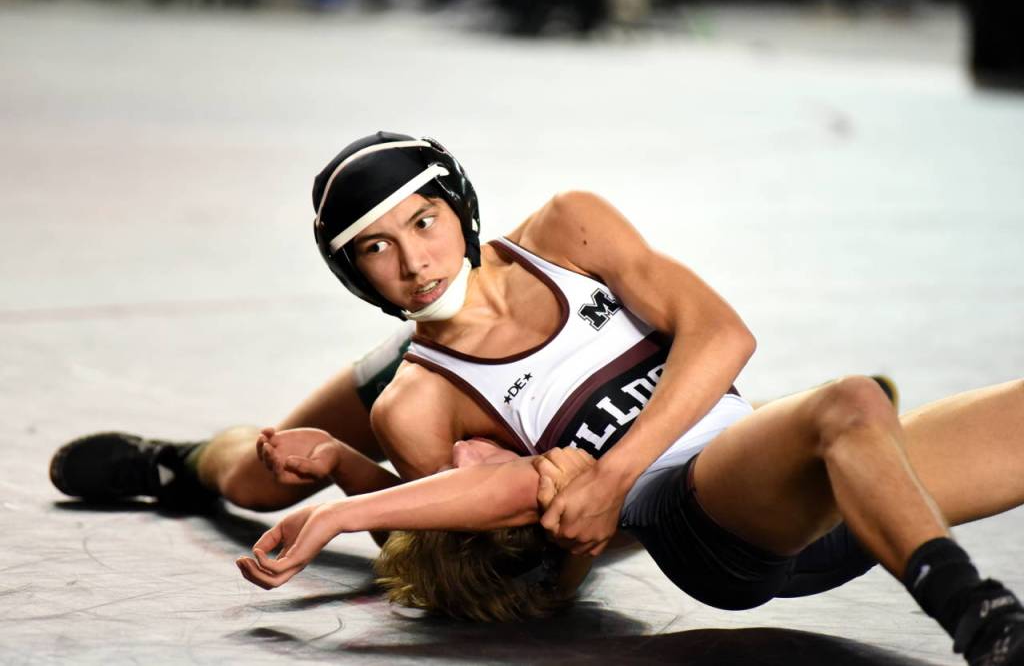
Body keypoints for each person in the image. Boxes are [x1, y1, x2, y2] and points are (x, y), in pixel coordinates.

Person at [53, 132, 1024, 665]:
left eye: (424, 223)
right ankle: (176, 460)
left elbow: (722, 334)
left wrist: (603, 474)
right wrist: (349, 474)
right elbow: (477, 565)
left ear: (462, 211)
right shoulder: (413, 400)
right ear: (353, 276)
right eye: (374, 250)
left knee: (918, 416)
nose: (411, 260)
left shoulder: (569, 228)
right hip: (705, 517)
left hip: (804, 488)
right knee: (268, 467)